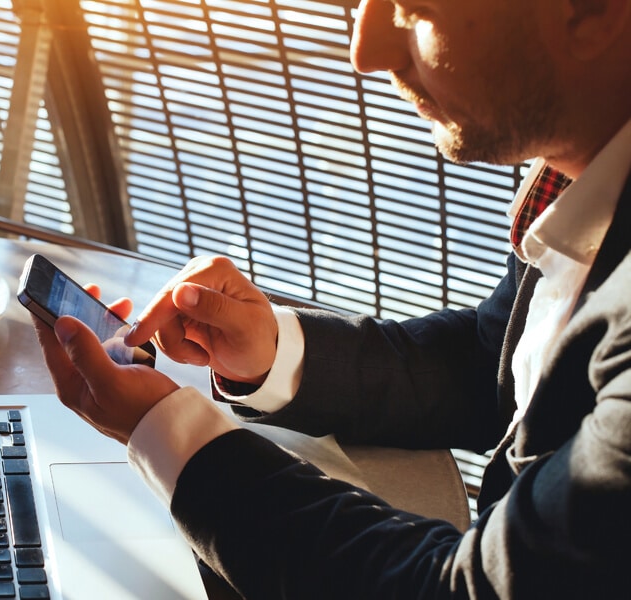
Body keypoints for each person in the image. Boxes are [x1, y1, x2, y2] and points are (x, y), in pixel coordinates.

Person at [31, 0, 631, 597]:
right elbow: (490, 365)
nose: (363, 54)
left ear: (592, 12)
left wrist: (165, 429)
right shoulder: (582, 173)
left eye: (412, 9)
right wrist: (273, 353)